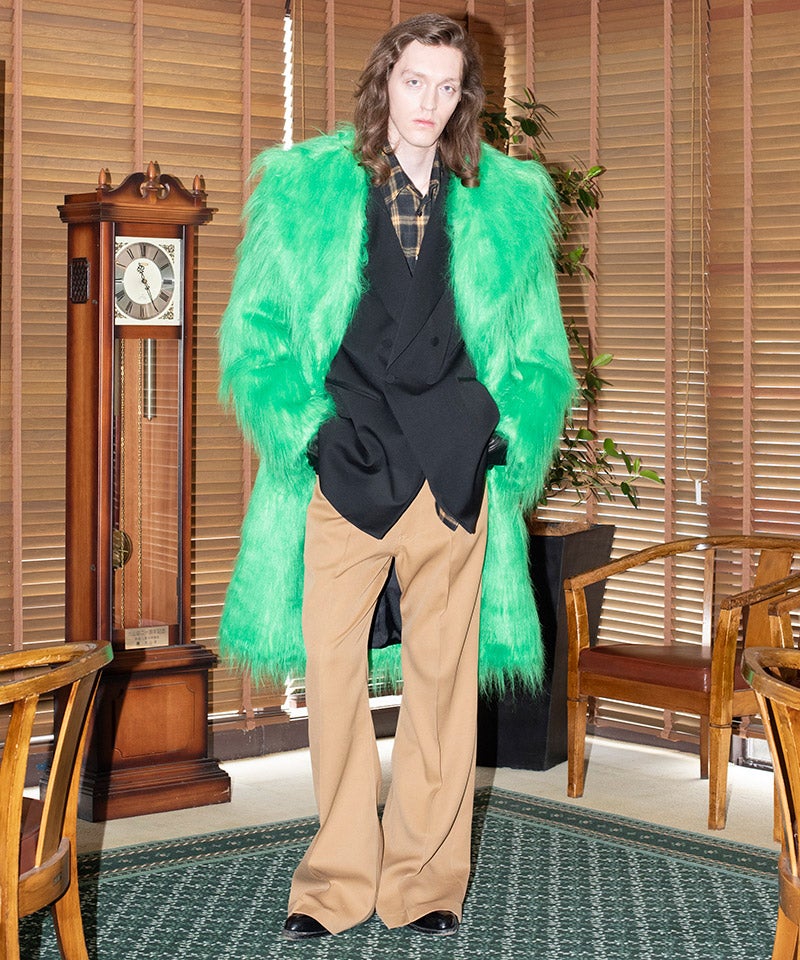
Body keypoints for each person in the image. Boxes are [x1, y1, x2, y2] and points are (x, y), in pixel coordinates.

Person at [218, 12, 574, 941]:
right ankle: (334, 883)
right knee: (331, 680)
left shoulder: (504, 203)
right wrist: (309, 436)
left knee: (443, 688)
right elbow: (255, 337)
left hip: (453, 475)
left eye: (447, 87)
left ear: (465, 98)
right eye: (414, 81)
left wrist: (499, 438)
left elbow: (540, 357)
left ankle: (423, 883)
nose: (429, 103)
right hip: (345, 471)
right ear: (385, 81)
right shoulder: (305, 191)